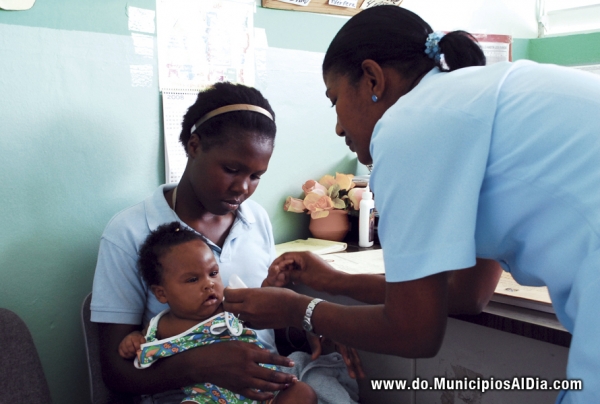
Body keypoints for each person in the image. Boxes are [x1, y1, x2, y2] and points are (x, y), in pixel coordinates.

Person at [222, 5, 600, 404]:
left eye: (334, 100)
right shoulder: (464, 100)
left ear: (372, 78)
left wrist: (297, 310)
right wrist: (333, 281)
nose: (337, 126)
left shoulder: (408, 126)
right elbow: (466, 295)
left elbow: (414, 331)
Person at [91, 82, 298, 403]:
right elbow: (116, 373)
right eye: (231, 169)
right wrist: (203, 366)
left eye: (256, 176)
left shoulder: (256, 218)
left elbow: (265, 328)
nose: (243, 187)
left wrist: (312, 324)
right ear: (194, 145)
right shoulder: (129, 231)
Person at [118, 222, 317, 404]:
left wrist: (269, 287)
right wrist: (134, 340)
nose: (209, 284)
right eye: (192, 280)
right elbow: (145, 351)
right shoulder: (160, 326)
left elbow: (261, 310)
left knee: (302, 393)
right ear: (161, 293)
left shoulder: (230, 305)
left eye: (213, 273)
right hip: (206, 397)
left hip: (261, 388)